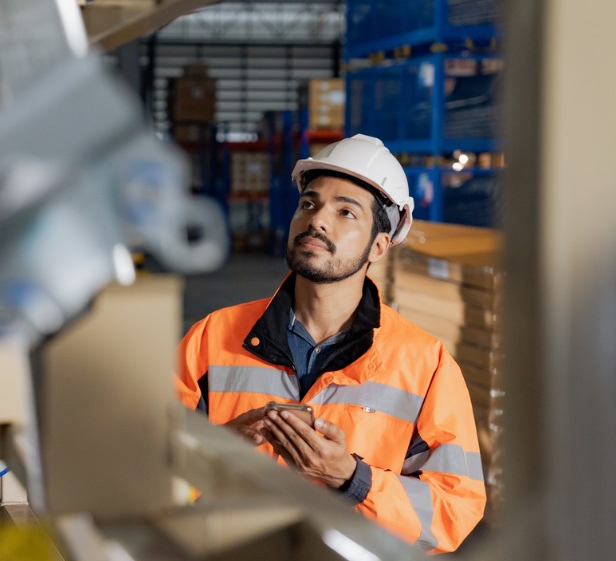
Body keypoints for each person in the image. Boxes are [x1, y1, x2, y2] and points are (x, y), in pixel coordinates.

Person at [176, 134, 486, 553]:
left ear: (379, 246)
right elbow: (144, 469)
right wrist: (218, 449)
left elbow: (454, 510)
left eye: (345, 212)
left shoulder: (425, 365)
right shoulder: (213, 337)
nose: (317, 220)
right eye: (309, 204)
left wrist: (351, 479)